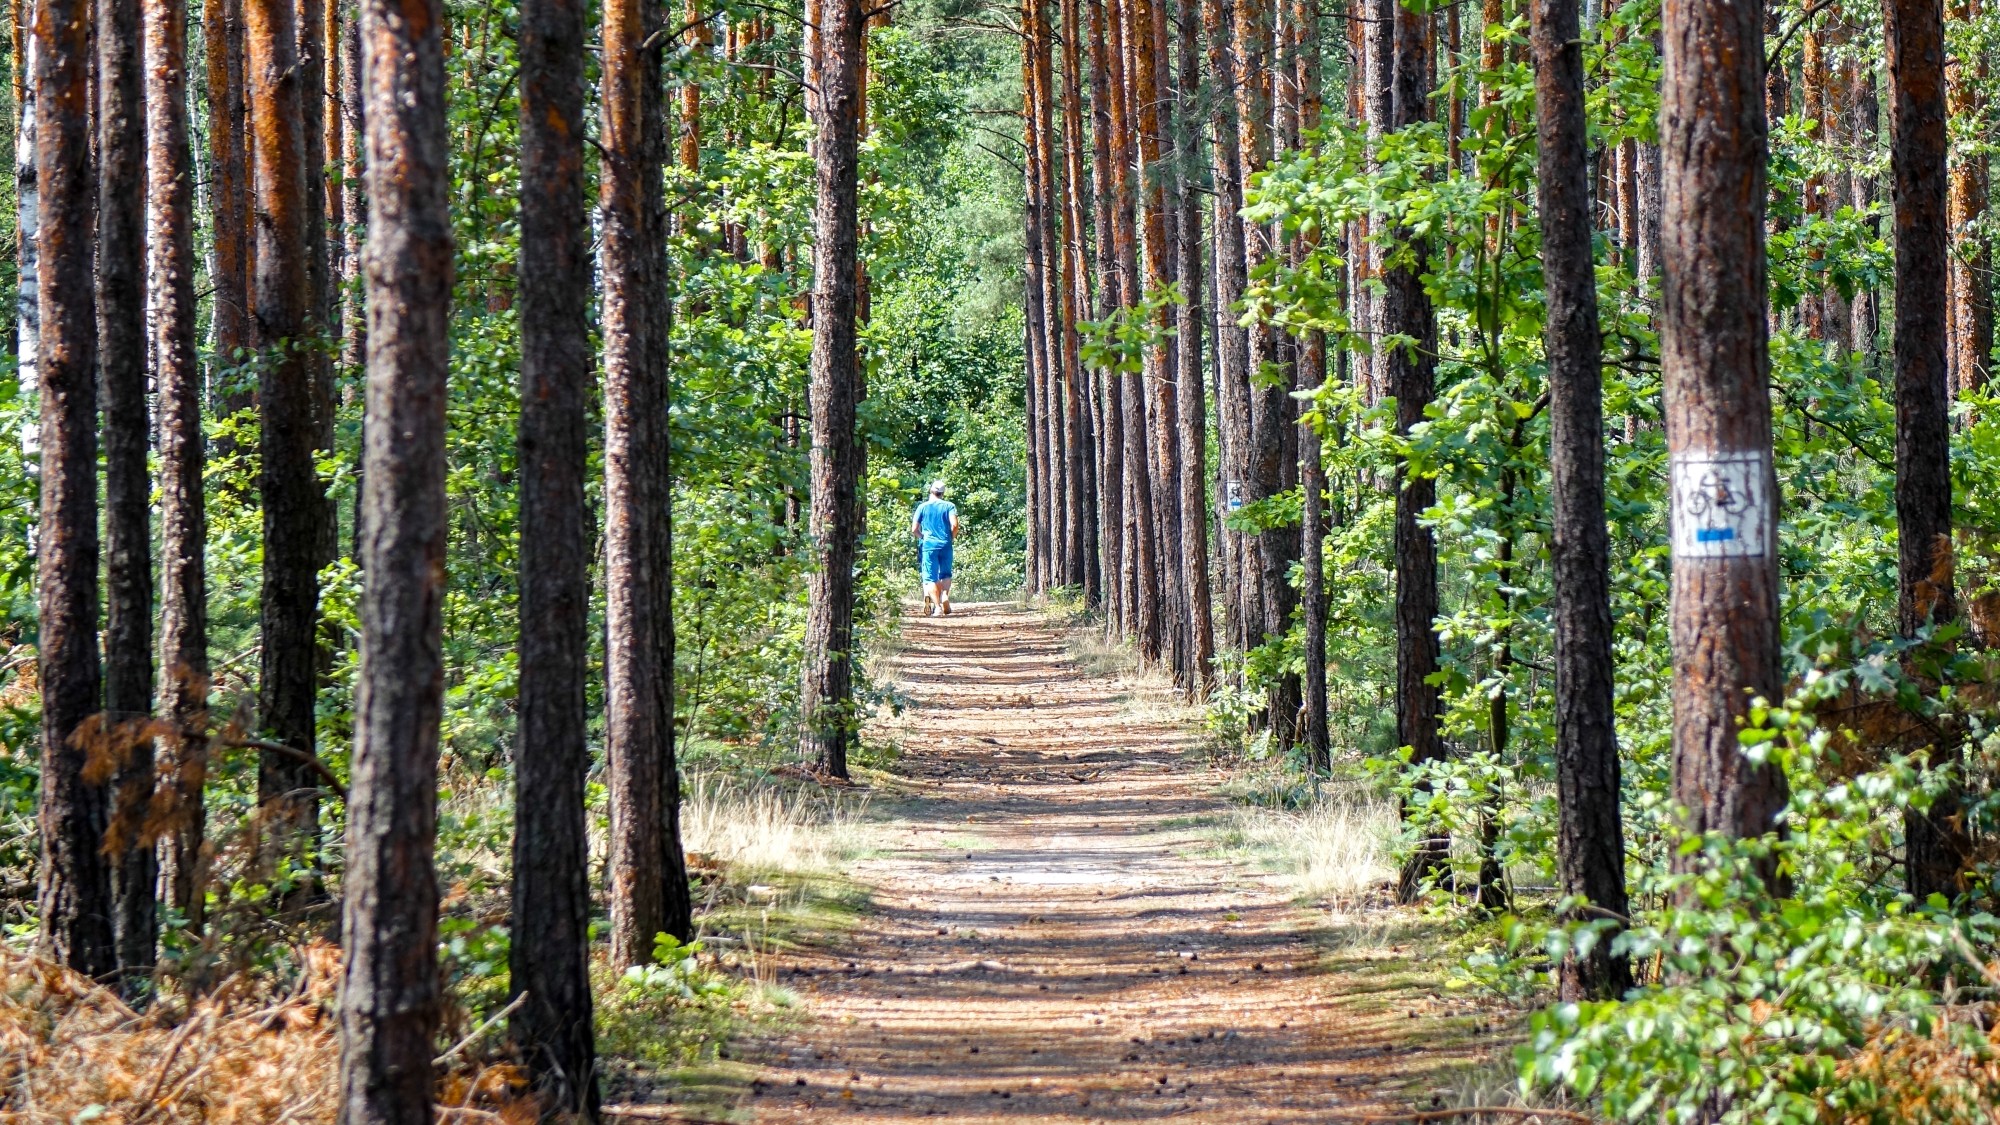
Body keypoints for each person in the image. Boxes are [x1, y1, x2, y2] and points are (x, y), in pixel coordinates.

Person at [910, 480, 959, 617]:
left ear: (931, 491)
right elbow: (955, 526)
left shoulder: (922, 507)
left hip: (928, 546)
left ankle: (935, 606)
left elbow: (914, 529)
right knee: (945, 573)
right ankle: (944, 595)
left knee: (929, 577)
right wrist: (951, 538)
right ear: (943, 493)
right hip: (945, 544)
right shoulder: (949, 506)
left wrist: (923, 538)